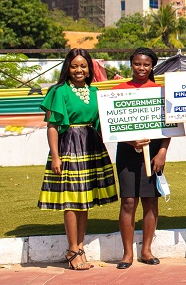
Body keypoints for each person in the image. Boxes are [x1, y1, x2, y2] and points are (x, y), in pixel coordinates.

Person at [37, 49, 118, 270]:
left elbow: (105, 123)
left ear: (90, 68)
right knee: (71, 200)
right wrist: (55, 156)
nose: (79, 70)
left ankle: (80, 246)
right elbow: (52, 126)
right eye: (74, 66)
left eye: (83, 66)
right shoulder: (59, 91)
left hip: (91, 146)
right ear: (67, 68)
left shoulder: (94, 92)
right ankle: (72, 248)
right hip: (69, 147)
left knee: (84, 200)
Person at [113, 48, 170, 269]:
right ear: (131, 64)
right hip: (127, 152)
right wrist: (131, 142)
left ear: (152, 66)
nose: (141, 68)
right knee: (128, 201)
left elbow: (170, 128)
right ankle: (127, 253)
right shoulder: (118, 91)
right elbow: (111, 127)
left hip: (154, 153)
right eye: (137, 64)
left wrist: (162, 152)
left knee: (150, 200)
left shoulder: (160, 91)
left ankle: (146, 250)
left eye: (146, 64)